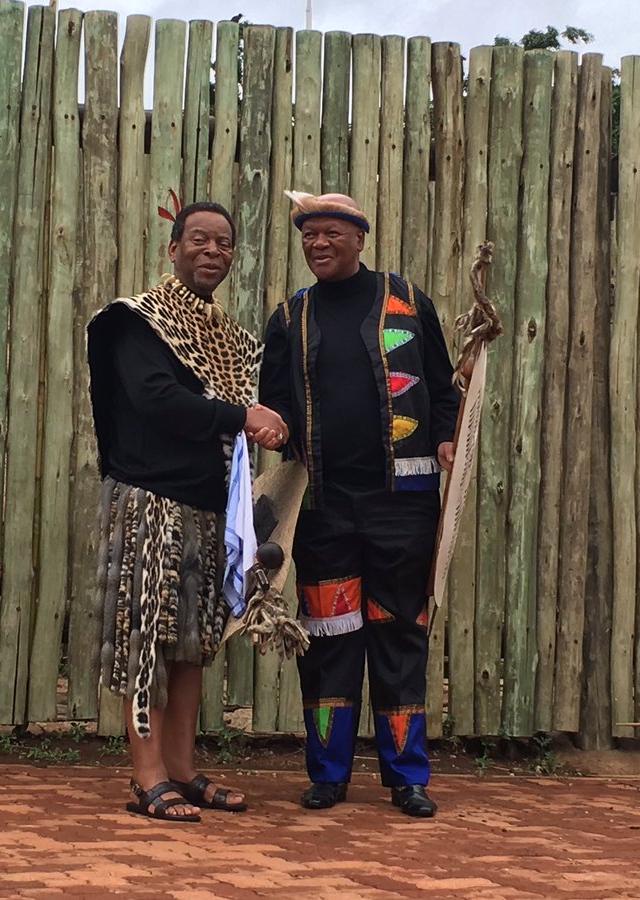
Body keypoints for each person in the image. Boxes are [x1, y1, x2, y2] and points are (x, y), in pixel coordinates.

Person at [258, 191, 460, 817]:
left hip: (404, 504)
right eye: (308, 235)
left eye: (331, 233)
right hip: (323, 508)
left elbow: (444, 386)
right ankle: (328, 775)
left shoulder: (408, 303)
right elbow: (273, 402)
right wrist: (272, 428)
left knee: (400, 634)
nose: (318, 244)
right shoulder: (289, 318)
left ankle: (407, 779)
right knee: (329, 638)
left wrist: (448, 435)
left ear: (359, 238)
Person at [86, 201, 289, 821]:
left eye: (224, 243)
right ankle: (146, 776)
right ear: (173, 249)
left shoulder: (229, 342)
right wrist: (242, 416)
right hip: (149, 501)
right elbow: (156, 400)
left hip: (207, 508)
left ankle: (180, 767)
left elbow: (257, 407)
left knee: (194, 645)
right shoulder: (134, 321)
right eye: (199, 239)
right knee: (146, 638)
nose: (212, 251)